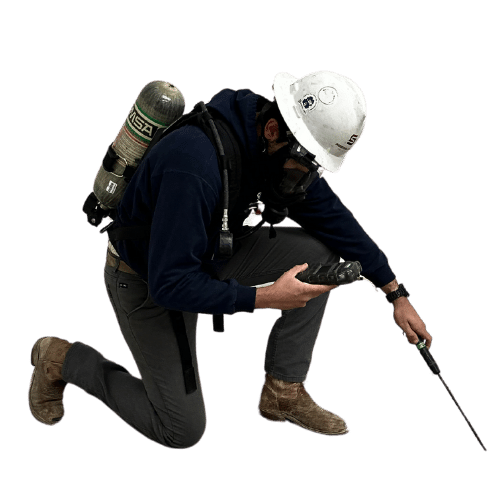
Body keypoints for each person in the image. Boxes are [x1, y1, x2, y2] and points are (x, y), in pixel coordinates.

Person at [27, 71, 432, 449]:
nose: (306, 179)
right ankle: (62, 358)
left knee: (320, 254)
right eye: (305, 164)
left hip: (212, 251)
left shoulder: (271, 148)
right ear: (274, 131)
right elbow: (171, 283)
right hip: (148, 278)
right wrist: (264, 298)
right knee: (181, 429)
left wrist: (394, 291)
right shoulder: (196, 165)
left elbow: (333, 220)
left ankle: (282, 392)